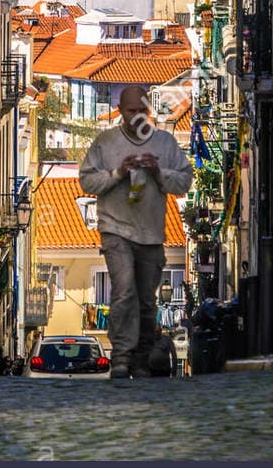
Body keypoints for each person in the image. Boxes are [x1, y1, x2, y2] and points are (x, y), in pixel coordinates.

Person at [79, 83, 193, 379]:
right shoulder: (106, 142)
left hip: (151, 233)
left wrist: (158, 172)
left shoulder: (165, 144)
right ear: (120, 111)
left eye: (143, 110)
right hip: (114, 228)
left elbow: (184, 182)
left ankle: (140, 359)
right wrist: (119, 173)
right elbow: (87, 182)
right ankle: (120, 356)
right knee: (124, 289)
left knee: (146, 300)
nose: (138, 116)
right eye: (132, 111)